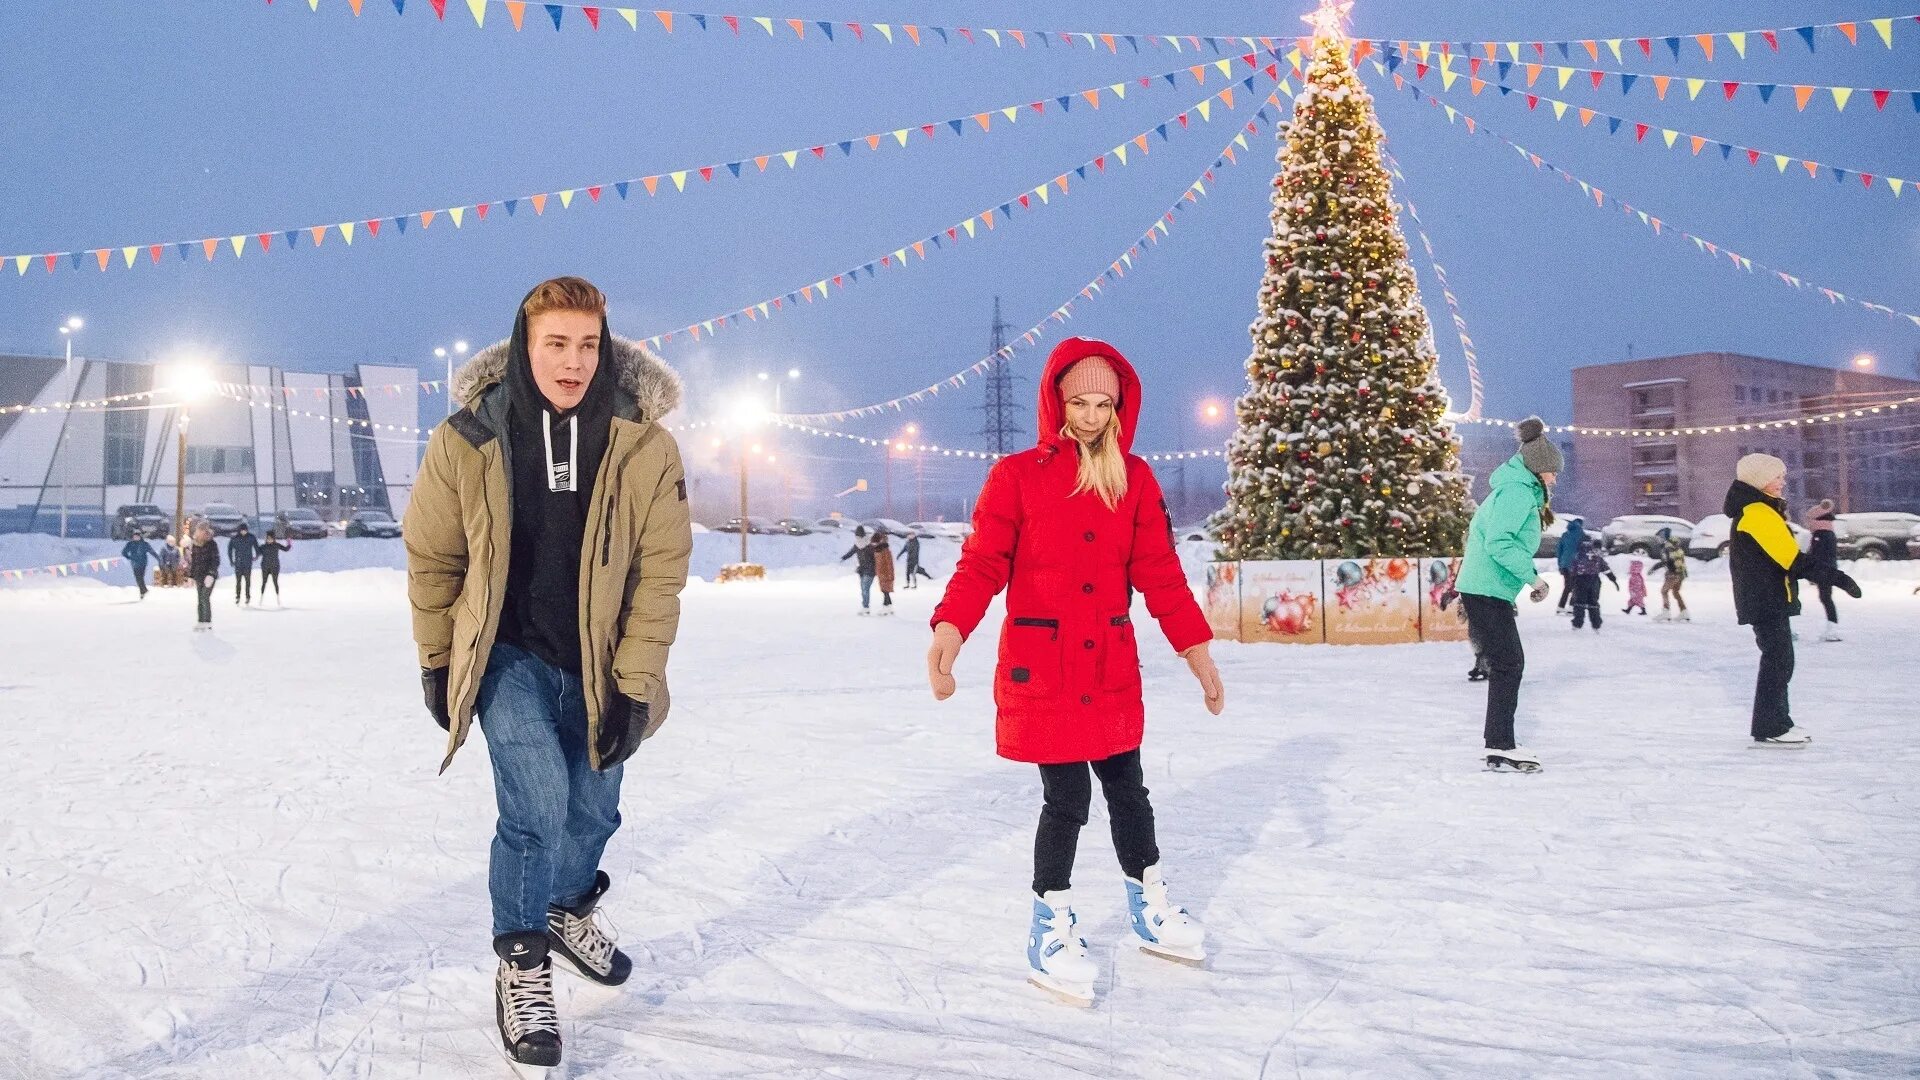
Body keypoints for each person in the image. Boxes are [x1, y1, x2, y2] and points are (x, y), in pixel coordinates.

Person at [403, 277, 693, 1070]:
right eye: (555, 344)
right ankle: (524, 961)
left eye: (587, 345)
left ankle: (567, 910)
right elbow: (434, 560)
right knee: (536, 807)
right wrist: (438, 661)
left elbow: (660, 574)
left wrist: (634, 683)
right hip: (509, 658)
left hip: (603, 664)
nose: (572, 362)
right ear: (524, 346)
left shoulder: (644, 443)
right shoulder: (467, 439)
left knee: (593, 813)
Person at [925, 337, 1225, 1006]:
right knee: (1066, 799)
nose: (1091, 417)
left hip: (1110, 664)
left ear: (1120, 408)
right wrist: (951, 627)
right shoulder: (1018, 475)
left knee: (1129, 788)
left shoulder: (1136, 479)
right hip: (1046, 669)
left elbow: (1161, 576)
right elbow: (982, 563)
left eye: (1104, 405)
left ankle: (1149, 903)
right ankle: (1049, 924)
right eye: (1080, 402)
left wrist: (1196, 651)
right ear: (1057, 403)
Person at [1726, 455, 1859, 747]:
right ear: (1760, 480)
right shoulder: (1758, 513)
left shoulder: (1757, 511)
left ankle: (1775, 723)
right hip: (1765, 599)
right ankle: (1772, 726)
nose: (1782, 482)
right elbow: (1793, 560)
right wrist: (1837, 578)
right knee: (1778, 661)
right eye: (1777, 477)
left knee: (1779, 660)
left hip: (1765, 596)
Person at [1454, 417, 1561, 773]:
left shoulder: (1518, 490)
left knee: (1506, 664)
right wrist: (1533, 579)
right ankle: (1500, 744)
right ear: (1538, 470)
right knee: (1509, 664)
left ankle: (1499, 744)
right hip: (1484, 590)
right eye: (1552, 473)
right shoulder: (1516, 492)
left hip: (1488, 589)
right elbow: (1499, 542)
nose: (1554, 479)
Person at [1803, 499, 1843, 642]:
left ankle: (1832, 629)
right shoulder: (1828, 533)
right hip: (1827, 569)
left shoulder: (1821, 534)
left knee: (1826, 598)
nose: (1808, 524)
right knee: (1826, 598)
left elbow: (1816, 555)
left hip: (1824, 570)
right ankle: (1831, 627)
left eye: (1810, 520)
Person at [1567, 536, 1619, 632]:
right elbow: (1605, 568)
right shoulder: (1597, 556)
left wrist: (1572, 581)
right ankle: (1596, 624)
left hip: (1581, 580)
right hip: (1594, 581)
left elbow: (1573, 568)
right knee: (1593, 602)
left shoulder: (1579, 555)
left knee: (1579, 602)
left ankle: (1577, 624)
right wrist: (1612, 578)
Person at [1650, 528, 1690, 622]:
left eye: (1659, 538)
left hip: (1672, 574)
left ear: (1663, 537)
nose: (1658, 540)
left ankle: (1666, 612)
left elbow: (1665, 562)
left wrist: (1654, 568)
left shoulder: (1666, 548)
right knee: (1676, 592)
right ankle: (1684, 611)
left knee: (1664, 591)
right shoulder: (1675, 545)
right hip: (1681, 573)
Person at [187, 522, 220, 630]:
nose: (199, 533)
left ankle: (207, 622)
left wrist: (211, 574)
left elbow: (215, 560)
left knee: (205, 597)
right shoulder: (195, 544)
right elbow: (194, 562)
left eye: (202, 531)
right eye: (198, 530)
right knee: (200, 598)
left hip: (209, 576)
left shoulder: (211, 544)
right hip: (198, 575)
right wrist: (191, 576)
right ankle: (201, 621)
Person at [841, 525, 878, 614]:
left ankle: (866, 607)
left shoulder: (870, 545)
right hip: (862, 569)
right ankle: (865, 606)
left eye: (858, 536)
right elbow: (851, 552)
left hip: (870, 569)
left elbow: (876, 557)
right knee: (863, 589)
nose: (857, 537)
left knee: (865, 588)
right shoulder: (857, 544)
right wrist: (844, 557)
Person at [1553, 515, 1586, 615]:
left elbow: (1559, 551)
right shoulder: (1581, 535)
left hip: (1564, 565)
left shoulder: (1565, 535)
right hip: (1575, 565)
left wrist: (1560, 565)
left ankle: (1560, 606)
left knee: (1567, 587)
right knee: (1576, 586)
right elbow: (1583, 550)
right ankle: (1571, 607)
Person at [121, 529, 159, 599]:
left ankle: (143, 591)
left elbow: (152, 552)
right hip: (135, 564)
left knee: (141, 578)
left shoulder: (144, 544)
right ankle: (143, 591)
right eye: (134, 536)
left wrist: (158, 558)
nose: (136, 538)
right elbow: (124, 552)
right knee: (138, 578)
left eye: (137, 536)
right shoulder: (130, 544)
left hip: (143, 563)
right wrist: (129, 557)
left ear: (140, 537)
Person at [228, 521, 260, 605]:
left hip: (247, 562)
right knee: (238, 581)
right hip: (238, 563)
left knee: (247, 581)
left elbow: (256, 547)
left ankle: (247, 596)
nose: (243, 532)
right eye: (242, 530)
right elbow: (230, 550)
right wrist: (231, 560)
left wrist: (257, 555)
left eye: (245, 530)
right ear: (239, 530)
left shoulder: (251, 537)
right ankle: (238, 596)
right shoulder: (235, 538)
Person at [258, 529, 291, 606]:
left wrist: (289, 543)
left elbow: (286, 549)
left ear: (273, 539)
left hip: (275, 567)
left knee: (275, 582)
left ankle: (278, 598)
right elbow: (257, 553)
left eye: (271, 539)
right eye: (268, 538)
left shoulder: (277, 545)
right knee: (264, 582)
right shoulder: (263, 547)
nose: (269, 540)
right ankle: (261, 598)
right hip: (265, 567)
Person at [871, 528, 897, 614]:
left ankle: (886, 607)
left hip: (886, 573)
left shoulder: (885, 550)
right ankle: (888, 606)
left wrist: (890, 575)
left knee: (885, 591)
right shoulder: (877, 550)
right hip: (881, 573)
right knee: (884, 591)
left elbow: (889, 563)